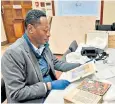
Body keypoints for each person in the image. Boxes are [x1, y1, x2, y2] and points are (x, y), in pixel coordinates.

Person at [1, 9, 81, 103]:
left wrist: (80, 66)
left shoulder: (42, 44)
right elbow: (17, 93)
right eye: (45, 30)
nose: (49, 34)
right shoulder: (13, 54)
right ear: (30, 29)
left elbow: (56, 63)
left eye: (49, 30)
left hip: (48, 92)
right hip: (31, 99)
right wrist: (48, 86)